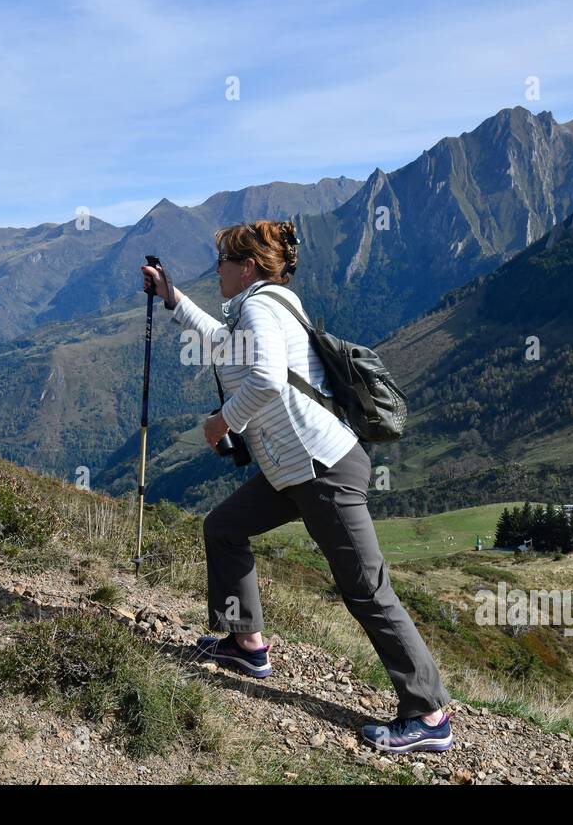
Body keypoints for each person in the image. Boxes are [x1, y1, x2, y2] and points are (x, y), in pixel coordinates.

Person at [140, 220, 453, 753]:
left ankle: (428, 714)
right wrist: (173, 297)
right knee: (224, 528)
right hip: (294, 470)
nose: (216, 270)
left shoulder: (260, 307)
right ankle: (246, 644)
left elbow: (265, 377)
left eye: (222, 261)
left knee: (367, 590)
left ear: (247, 266)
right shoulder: (263, 305)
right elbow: (222, 346)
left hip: (323, 469)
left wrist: (223, 424)